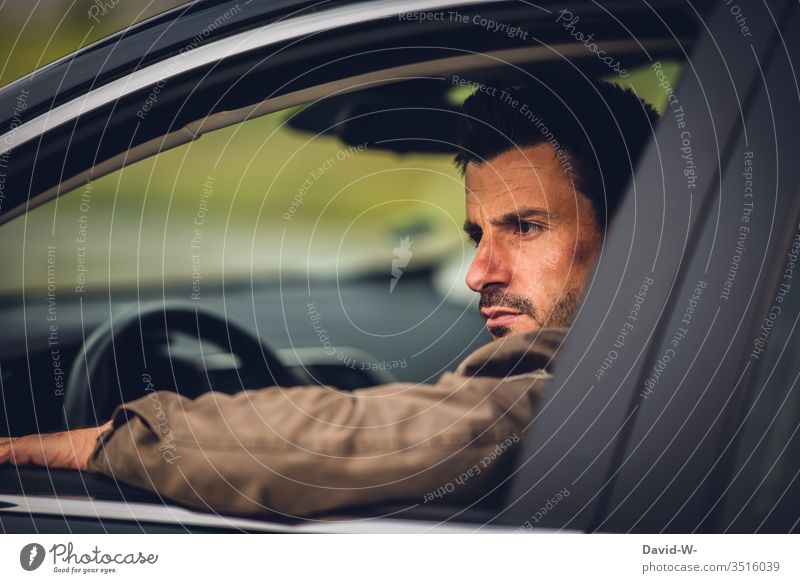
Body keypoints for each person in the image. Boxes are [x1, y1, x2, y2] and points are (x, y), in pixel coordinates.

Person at [0, 75, 658, 518]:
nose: (477, 272)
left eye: (525, 226)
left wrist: (111, 442)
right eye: (477, 235)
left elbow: (421, 434)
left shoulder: (590, 386)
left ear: (637, 235)